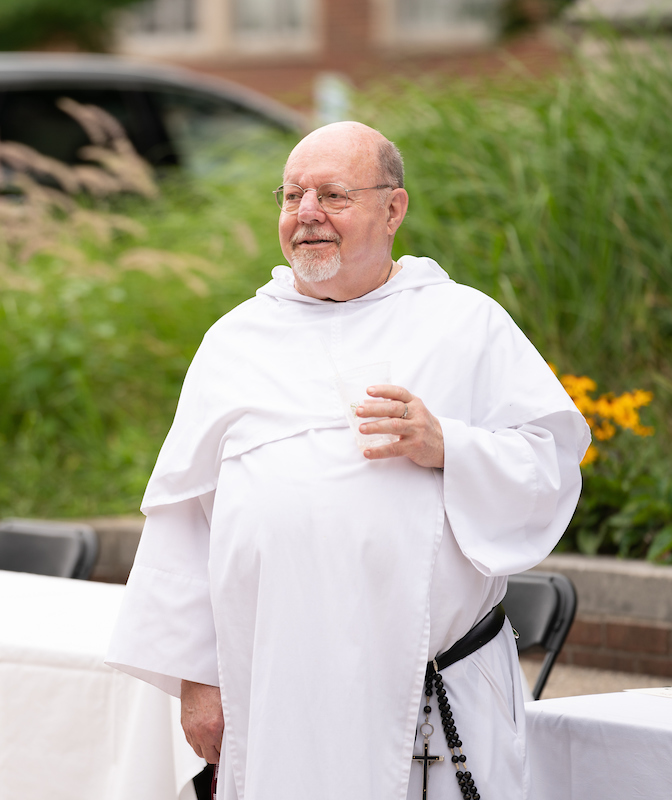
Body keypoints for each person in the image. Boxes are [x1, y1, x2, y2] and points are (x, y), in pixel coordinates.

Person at [105, 121, 590, 800]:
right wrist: (197, 682)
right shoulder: (235, 342)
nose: (306, 214)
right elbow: (183, 527)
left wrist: (449, 445)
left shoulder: (464, 324)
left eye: (332, 195)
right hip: (274, 699)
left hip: (423, 695)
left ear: (393, 209)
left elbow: (549, 466)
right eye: (291, 195)